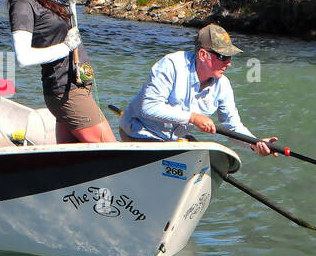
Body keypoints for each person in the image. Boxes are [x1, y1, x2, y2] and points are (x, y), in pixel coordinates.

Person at [4, 0, 116, 144]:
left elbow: (71, 30)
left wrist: (68, 1)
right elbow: (23, 57)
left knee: (74, 158)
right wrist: (66, 48)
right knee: (109, 147)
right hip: (67, 91)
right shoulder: (22, 3)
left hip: (75, 86)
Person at [119, 24, 278, 157]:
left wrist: (255, 143)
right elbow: (149, 107)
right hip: (139, 133)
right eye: (223, 57)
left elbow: (232, 126)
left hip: (171, 142)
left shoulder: (223, 86)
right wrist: (193, 117)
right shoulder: (171, 65)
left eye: (230, 57)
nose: (228, 63)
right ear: (203, 54)